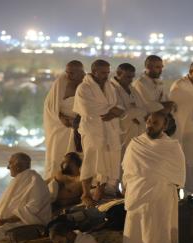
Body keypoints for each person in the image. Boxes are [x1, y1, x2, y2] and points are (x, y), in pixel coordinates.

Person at [122, 111, 185, 243]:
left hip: (159, 199)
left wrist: (154, 174)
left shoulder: (172, 146)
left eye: (155, 123)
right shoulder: (135, 144)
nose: (150, 125)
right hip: (136, 197)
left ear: (164, 126)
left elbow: (178, 175)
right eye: (149, 121)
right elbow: (127, 172)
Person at [73, 59, 124, 207]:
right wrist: (112, 110)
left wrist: (114, 111)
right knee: (91, 160)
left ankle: (100, 190)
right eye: (103, 73)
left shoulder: (110, 87)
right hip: (92, 130)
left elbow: (119, 106)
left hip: (110, 129)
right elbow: (88, 109)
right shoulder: (84, 88)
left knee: (108, 159)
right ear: (94, 71)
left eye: (108, 72)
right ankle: (86, 193)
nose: (106, 75)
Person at [0, 153, 51, 243]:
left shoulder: (35, 181)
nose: (8, 167)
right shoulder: (17, 180)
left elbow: (31, 210)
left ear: (18, 166)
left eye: (10, 163)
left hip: (26, 223)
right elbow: (2, 202)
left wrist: (6, 220)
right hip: (4, 222)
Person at [168, 61, 193, 195]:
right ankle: (183, 190)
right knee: (185, 160)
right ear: (191, 72)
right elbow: (177, 110)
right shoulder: (180, 86)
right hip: (183, 131)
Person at [43, 60, 85, 179]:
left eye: (72, 73)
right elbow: (49, 107)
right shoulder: (60, 83)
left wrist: (77, 122)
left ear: (81, 73)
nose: (68, 76)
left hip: (81, 128)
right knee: (58, 156)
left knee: (81, 159)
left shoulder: (88, 85)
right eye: (67, 72)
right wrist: (60, 117)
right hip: (60, 127)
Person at [111, 63, 149, 153]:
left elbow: (142, 108)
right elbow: (118, 110)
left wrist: (138, 116)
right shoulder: (111, 88)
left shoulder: (132, 89)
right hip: (121, 131)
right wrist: (132, 115)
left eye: (132, 77)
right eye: (127, 77)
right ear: (118, 74)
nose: (131, 80)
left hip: (137, 130)